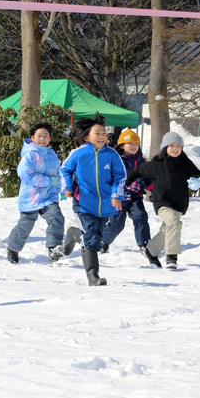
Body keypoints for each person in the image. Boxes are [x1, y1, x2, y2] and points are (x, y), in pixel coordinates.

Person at [60, 115, 127, 287]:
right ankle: (93, 276)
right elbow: (64, 170)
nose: (102, 136)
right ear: (86, 137)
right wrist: (67, 187)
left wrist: (116, 195)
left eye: (104, 132)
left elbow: (120, 177)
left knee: (97, 234)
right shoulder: (79, 153)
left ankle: (75, 234)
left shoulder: (112, 155)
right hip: (83, 202)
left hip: (105, 204)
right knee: (91, 236)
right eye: (97, 132)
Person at [126, 131, 200, 270]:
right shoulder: (156, 164)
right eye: (172, 145)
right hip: (162, 201)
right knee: (173, 223)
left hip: (180, 203)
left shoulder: (186, 163)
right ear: (165, 147)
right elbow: (135, 172)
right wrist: (123, 186)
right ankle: (172, 257)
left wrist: (199, 181)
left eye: (178, 146)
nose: (175, 149)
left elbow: (199, 175)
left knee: (168, 229)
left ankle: (150, 251)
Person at [6, 123, 69, 264]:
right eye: (39, 136)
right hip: (31, 197)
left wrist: (60, 188)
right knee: (26, 224)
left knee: (57, 218)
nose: (42, 139)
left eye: (46, 136)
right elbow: (25, 175)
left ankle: (53, 249)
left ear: (50, 138)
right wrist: (48, 181)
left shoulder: (52, 154)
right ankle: (13, 248)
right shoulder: (29, 155)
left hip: (49, 197)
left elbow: (56, 174)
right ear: (32, 137)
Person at [101, 129, 151, 254]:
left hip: (135, 196)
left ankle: (144, 244)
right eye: (131, 143)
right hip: (119, 197)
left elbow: (147, 176)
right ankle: (103, 242)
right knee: (117, 225)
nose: (134, 146)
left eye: (136, 144)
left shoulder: (141, 160)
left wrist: (151, 187)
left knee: (141, 216)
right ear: (122, 145)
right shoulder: (117, 159)